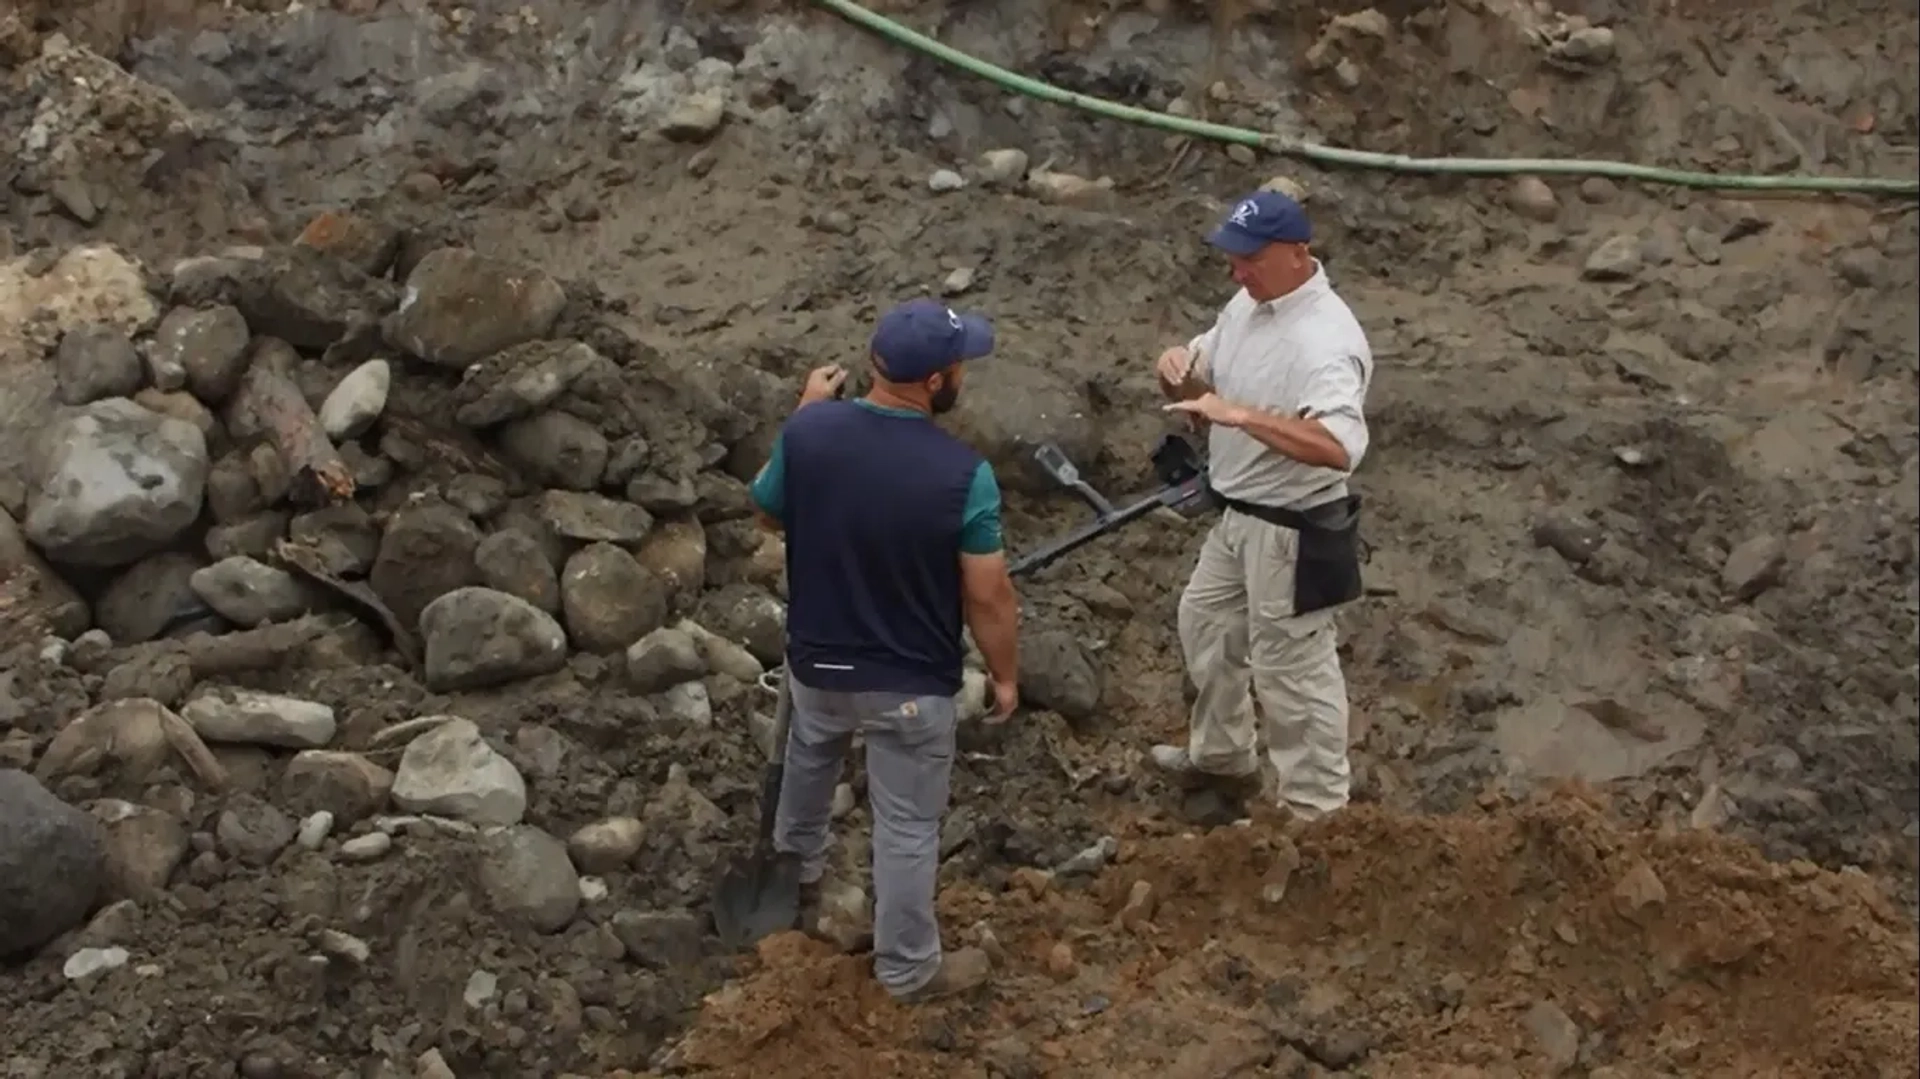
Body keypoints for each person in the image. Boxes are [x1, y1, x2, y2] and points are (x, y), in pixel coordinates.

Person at [747, 298, 1021, 1003]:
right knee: (904, 825)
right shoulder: (963, 475)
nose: (964, 377)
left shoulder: (810, 433)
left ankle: (794, 888)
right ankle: (907, 969)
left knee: (809, 760)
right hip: (907, 681)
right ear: (936, 382)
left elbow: (770, 507)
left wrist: (807, 413)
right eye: (960, 367)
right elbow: (988, 596)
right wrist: (1005, 674)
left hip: (817, 664)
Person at [1149, 190, 1374, 820]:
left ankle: (1316, 812)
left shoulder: (1327, 341)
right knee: (1206, 624)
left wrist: (1239, 414)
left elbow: (1336, 445)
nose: (1237, 271)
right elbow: (1202, 383)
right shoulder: (1249, 306)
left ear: (1298, 253)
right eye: (1232, 258)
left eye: (1250, 259)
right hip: (1238, 515)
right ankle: (1223, 758)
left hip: (1292, 530)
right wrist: (1178, 373)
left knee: (1293, 671)